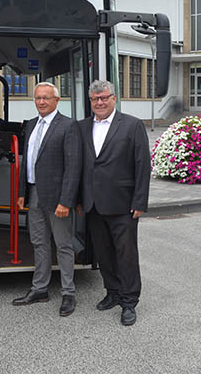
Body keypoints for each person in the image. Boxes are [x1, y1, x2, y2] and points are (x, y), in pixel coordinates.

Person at [77, 80, 150, 326]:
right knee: (104, 253)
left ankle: (129, 301)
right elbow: (81, 166)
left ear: (114, 98)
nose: (99, 102)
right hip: (93, 204)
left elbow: (142, 165)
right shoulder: (83, 127)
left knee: (126, 254)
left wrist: (140, 200)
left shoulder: (131, 125)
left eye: (104, 98)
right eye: (95, 99)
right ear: (90, 101)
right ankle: (112, 292)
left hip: (123, 204)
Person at [12, 82, 81, 317]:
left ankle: (68, 292)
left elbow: (73, 168)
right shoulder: (31, 125)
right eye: (38, 98)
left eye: (46, 98)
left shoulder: (68, 126)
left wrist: (66, 201)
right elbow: (26, 162)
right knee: (39, 243)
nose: (41, 102)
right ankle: (40, 288)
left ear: (57, 100)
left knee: (63, 245)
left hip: (57, 197)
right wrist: (22, 192)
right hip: (33, 193)